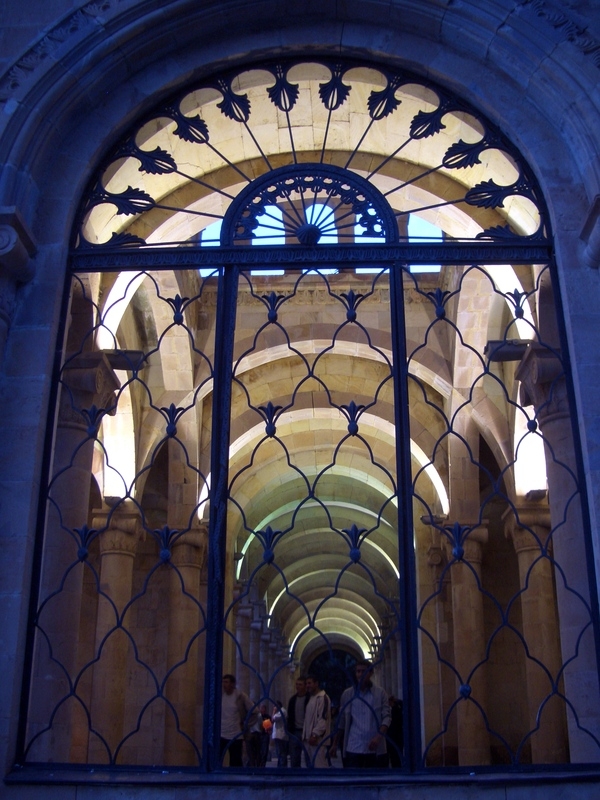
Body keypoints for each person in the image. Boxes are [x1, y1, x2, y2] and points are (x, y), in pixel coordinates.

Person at [331, 660, 391, 768]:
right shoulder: (347, 694)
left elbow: (386, 717)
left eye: (364, 671)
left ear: (371, 673)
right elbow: (341, 722)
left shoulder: (380, 693)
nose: (360, 674)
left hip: (374, 747)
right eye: (358, 671)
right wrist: (335, 744)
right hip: (354, 745)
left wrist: (378, 736)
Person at [220, 674, 257, 767]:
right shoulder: (221, 696)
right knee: (217, 760)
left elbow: (255, 712)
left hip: (235, 735)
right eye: (223, 682)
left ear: (232, 684)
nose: (224, 685)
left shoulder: (240, 697)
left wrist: (245, 725)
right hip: (221, 734)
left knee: (235, 762)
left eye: (226, 682)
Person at [302, 674, 331, 768]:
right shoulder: (311, 698)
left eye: (309, 683)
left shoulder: (322, 698)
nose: (307, 686)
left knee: (319, 766)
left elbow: (323, 718)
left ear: (316, 683)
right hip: (308, 740)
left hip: (318, 740)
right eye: (306, 683)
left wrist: (315, 734)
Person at [287, 676, 309, 767]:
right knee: (294, 757)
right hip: (295, 731)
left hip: (306, 731)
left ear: (305, 686)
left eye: (300, 685)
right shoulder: (292, 700)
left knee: (309, 756)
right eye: (297, 684)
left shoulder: (309, 699)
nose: (298, 686)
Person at [271, 701, 289, 767]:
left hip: (280, 735)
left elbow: (273, 719)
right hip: (278, 735)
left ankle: (282, 767)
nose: (274, 708)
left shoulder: (282, 711)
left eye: (274, 706)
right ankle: (280, 766)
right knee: (279, 752)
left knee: (281, 752)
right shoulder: (280, 712)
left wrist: (274, 711)